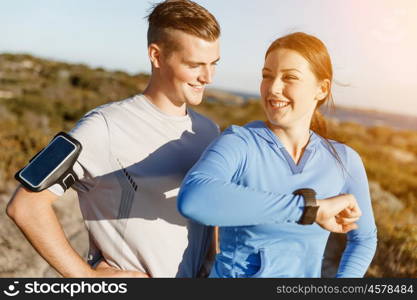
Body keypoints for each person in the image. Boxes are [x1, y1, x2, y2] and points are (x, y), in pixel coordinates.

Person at [7, 0, 221, 278]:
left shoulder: (209, 131)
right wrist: (87, 278)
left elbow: (208, 216)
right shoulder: (103, 126)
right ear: (156, 56)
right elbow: (25, 206)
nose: (208, 77)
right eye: (195, 65)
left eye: (214, 63)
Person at [178, 32, 377, 278]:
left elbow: (364, 239)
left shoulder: (344, 160)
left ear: (321, 89)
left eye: (289, 77)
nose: (273, 88)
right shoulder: (240, 142)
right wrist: (309, 209)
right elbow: (194, 198)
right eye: (267, 76)